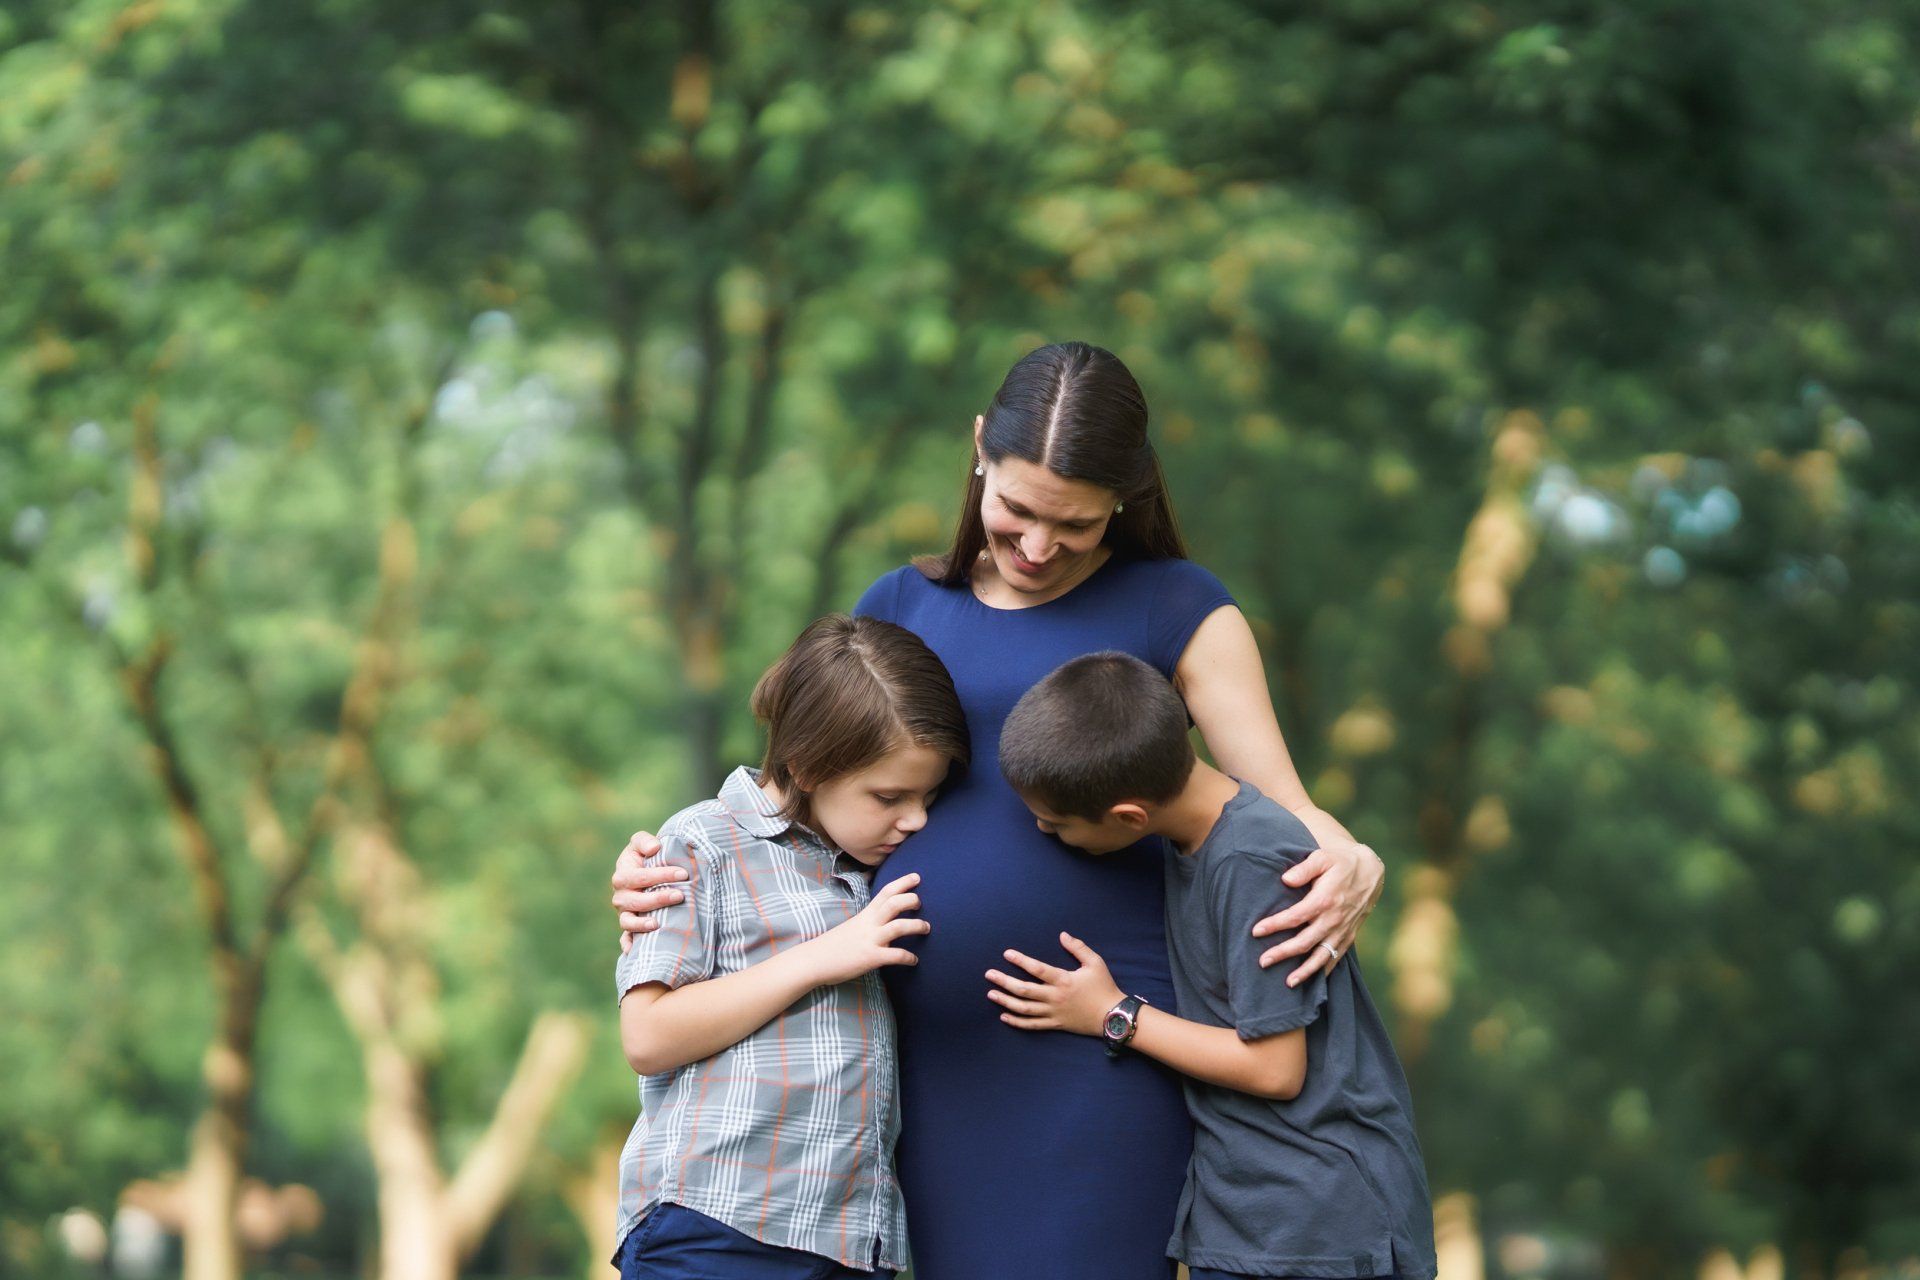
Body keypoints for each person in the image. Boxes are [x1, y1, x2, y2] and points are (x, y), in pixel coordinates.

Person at [611, 341, 1388, 1279]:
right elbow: (805, 810)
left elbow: (1277, 813)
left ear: (1126, 499)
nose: (1035, 546)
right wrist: (670, 870)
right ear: (980, 448)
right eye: (1017, 509)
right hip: (901, 1081)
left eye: (1076, 526)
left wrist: (1354, 857)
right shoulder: (898, 604)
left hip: (1098, 1062)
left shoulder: (1179, 608)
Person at [994, 651, 1436, 1280]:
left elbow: (1276, 1067)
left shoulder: (1252, 861)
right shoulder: (1196, 839)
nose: (1041, 829)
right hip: (1257, 1216)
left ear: (1128, 816)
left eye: (1057, 823)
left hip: (1319, 1226)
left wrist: (1112, 1013)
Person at [611, 614, 968, 1280]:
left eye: (931, 795)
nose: (916, 818)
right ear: (806, 766)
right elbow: (649, 1035)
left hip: (851, 1241)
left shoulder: (875, 863)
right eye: (889, 796)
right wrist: (823, 956)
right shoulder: (701, 842)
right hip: (720, 1225)